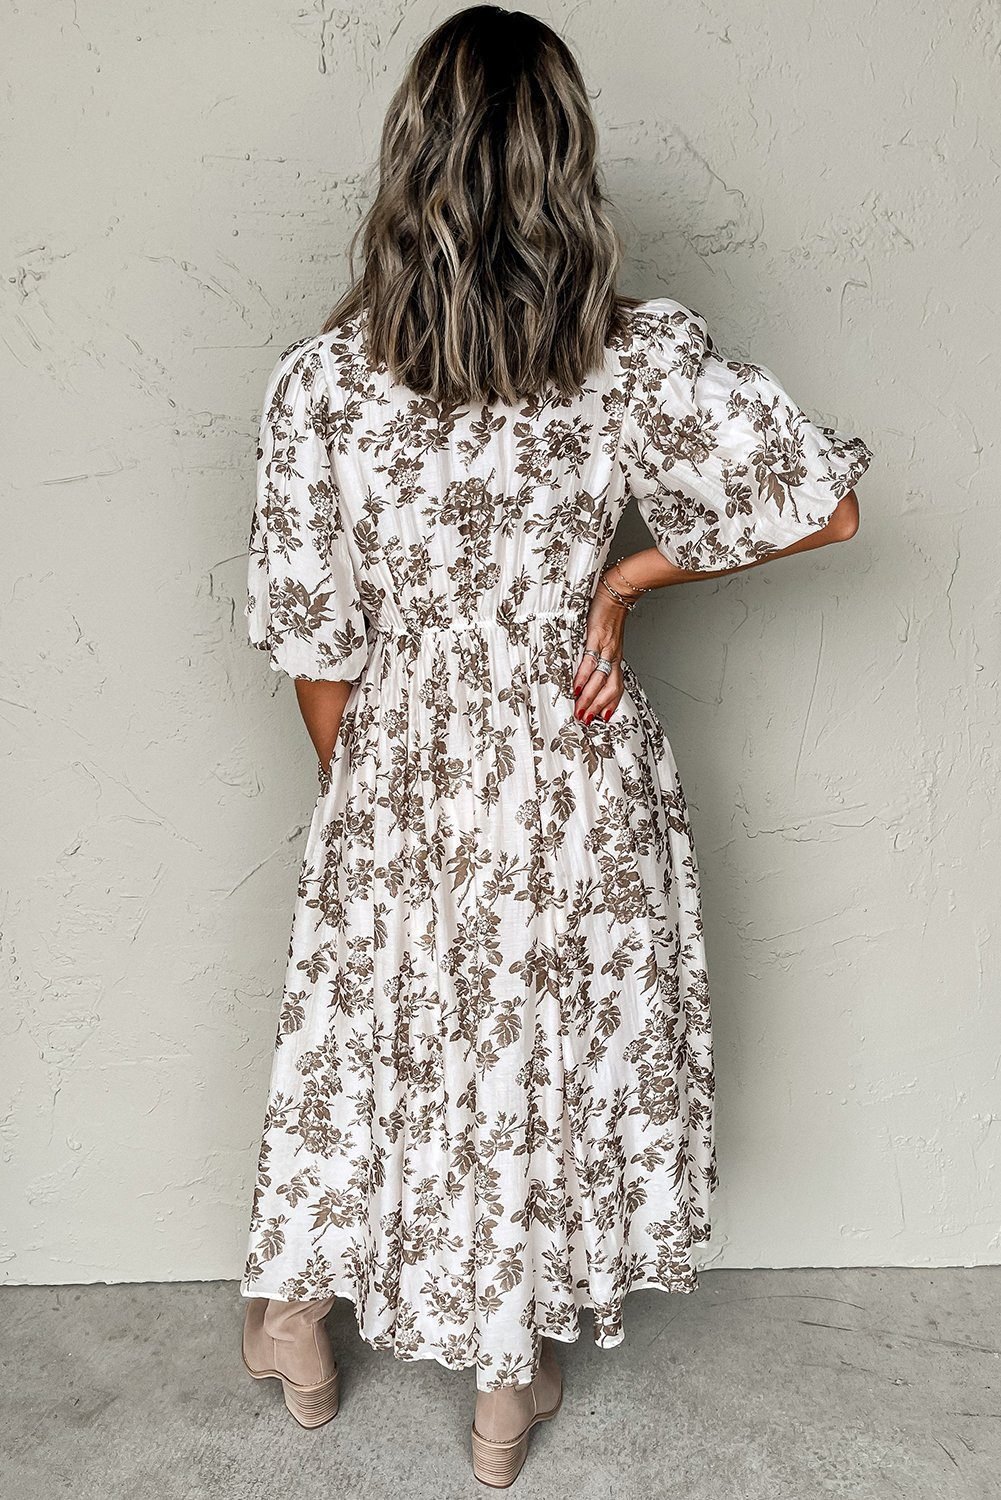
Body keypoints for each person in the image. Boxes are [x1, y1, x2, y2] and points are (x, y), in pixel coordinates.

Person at [238, 4, 871, 1486]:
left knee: (370, 1040)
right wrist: (624, 578)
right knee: (540, 1050)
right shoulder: (628, 358)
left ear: (407, 165)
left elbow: (315, 645)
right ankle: (504, 1394)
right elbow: (825, 504)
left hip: (402, 770)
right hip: (574, 767)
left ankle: (297, 1328)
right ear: (566, 172)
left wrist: (372, 789)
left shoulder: (322, 385)